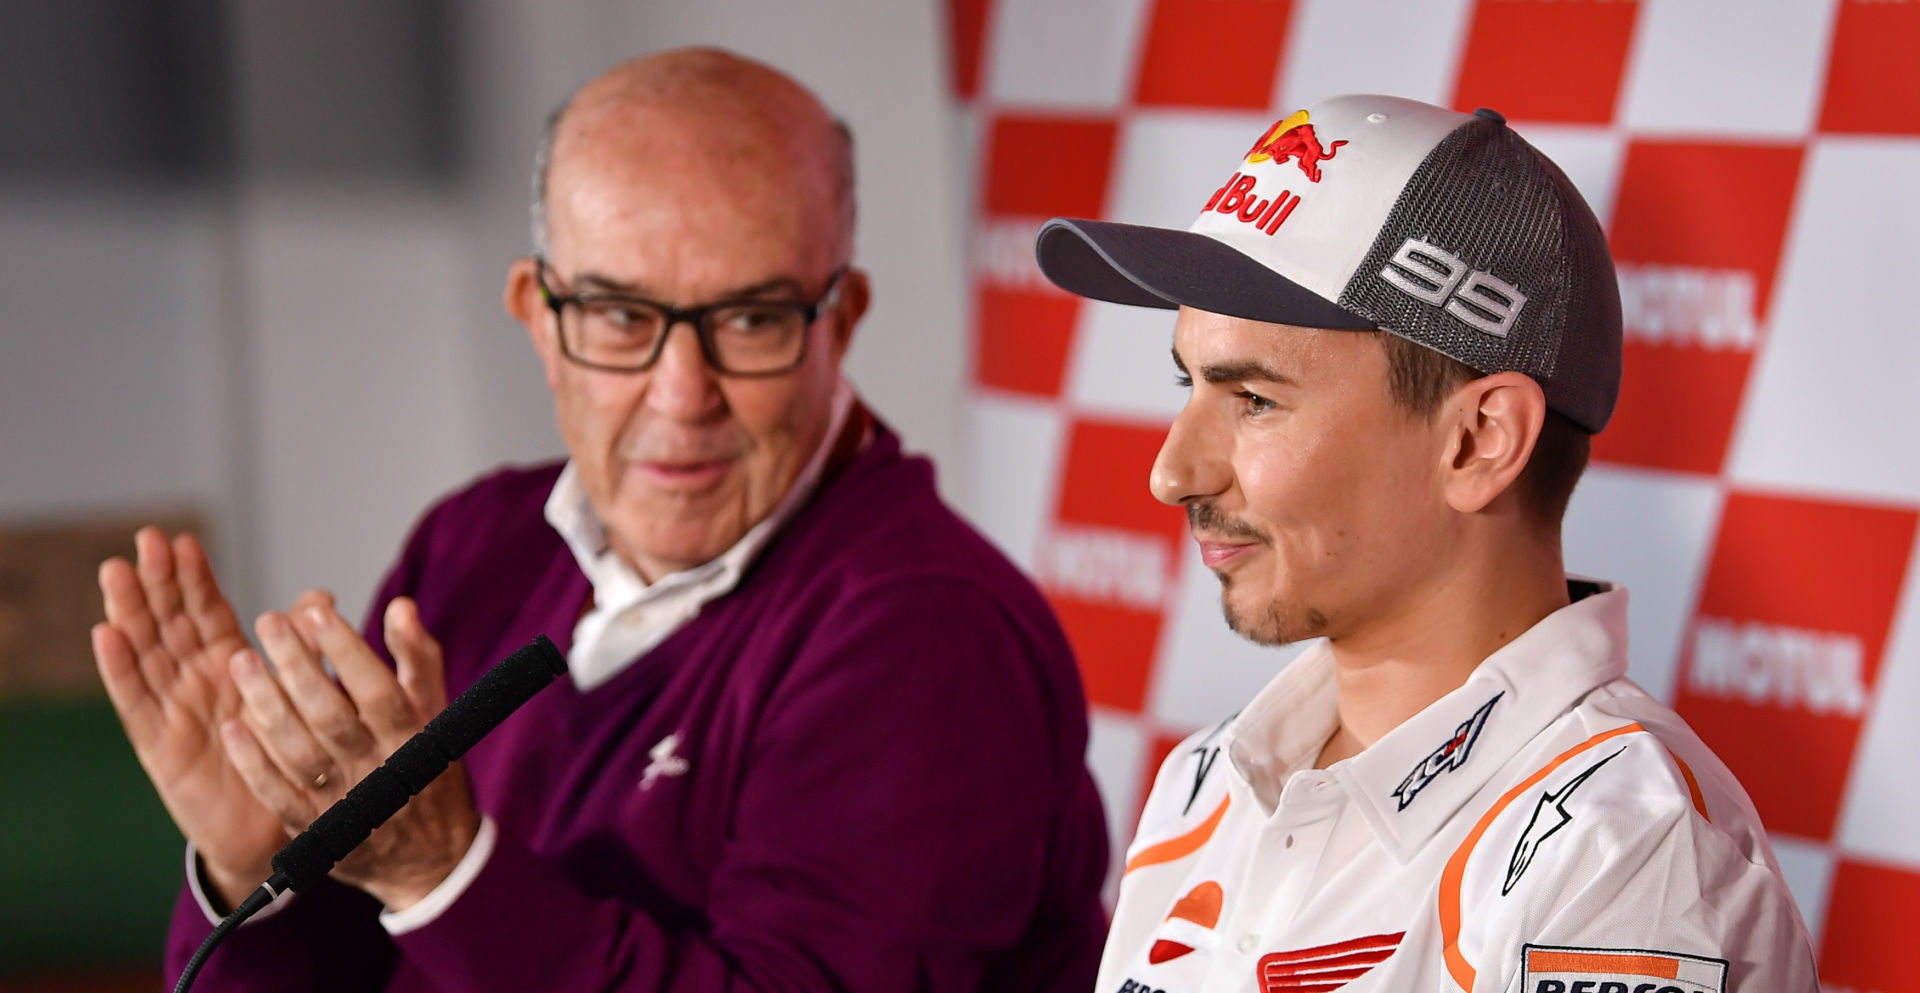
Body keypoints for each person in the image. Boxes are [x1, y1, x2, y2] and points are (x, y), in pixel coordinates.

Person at [91, 48, 1109, 992]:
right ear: (540, 318)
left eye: (749, 320)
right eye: (623, 317)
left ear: (837, 324)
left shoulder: (925, 635)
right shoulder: (477, 543)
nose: (681, 394)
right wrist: (261, 868)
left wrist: (447, 874)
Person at [1034, 96, 1818, 993]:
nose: (1172, 473)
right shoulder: (1207, 780)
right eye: (1189, 385)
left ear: (1479, 441)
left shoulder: (1629, 854)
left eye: (1253, 399)